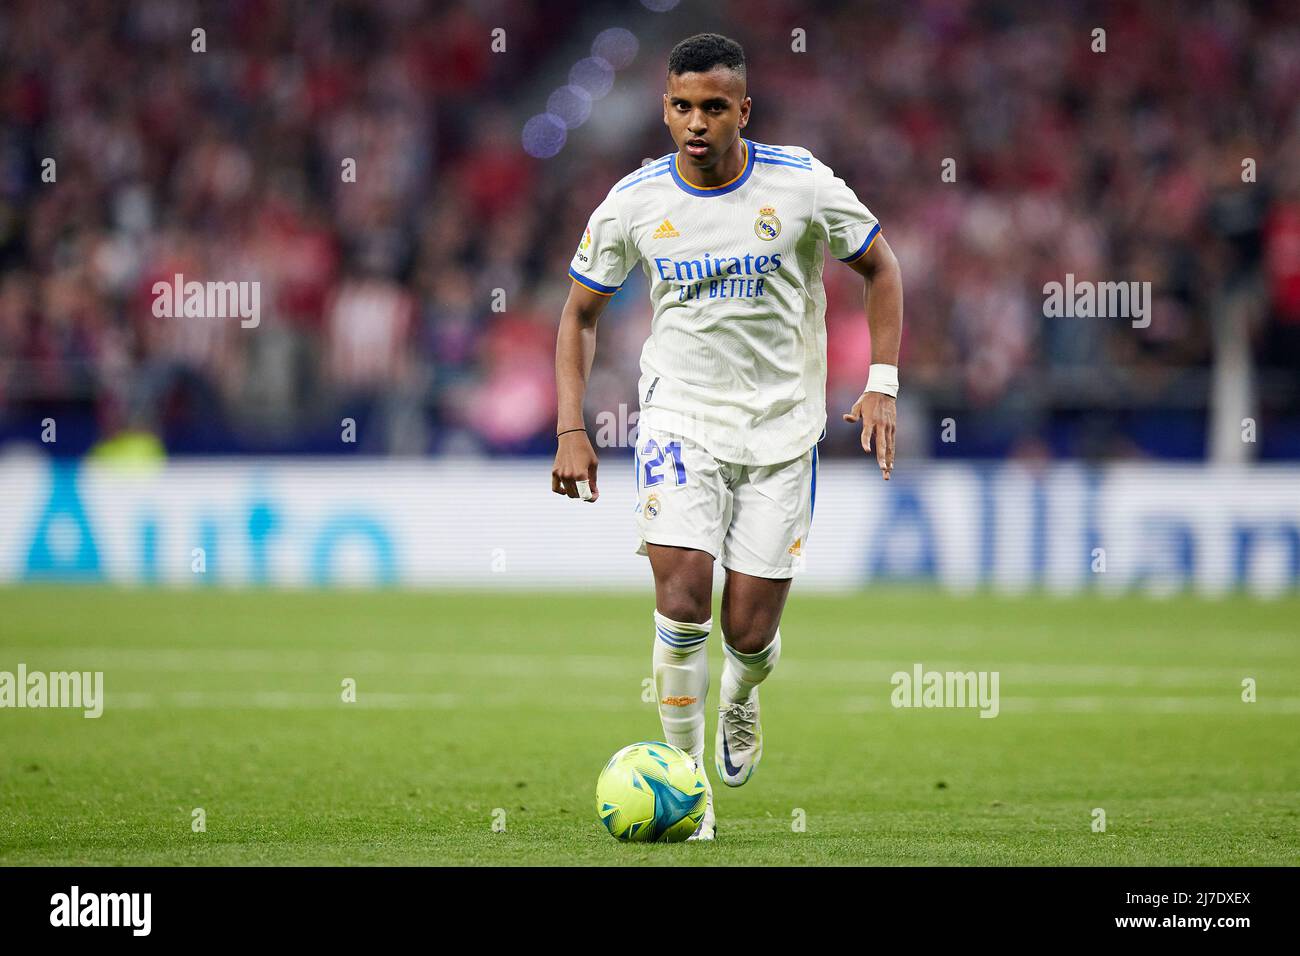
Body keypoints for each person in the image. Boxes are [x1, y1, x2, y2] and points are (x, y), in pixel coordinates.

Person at [552, 33, 903, 840]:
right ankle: (690, 791)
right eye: (682, 106)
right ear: (665, 109)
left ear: (744, 109)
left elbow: (882, 268)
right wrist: (572, 426)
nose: (697, 122)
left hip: (782, 433)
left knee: (749, 632)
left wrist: (880, 384)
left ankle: (741, 699)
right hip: (679, 422)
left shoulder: (803, 184)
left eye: (714, 107)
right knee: (681, 603)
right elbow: (579, 314)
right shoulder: (635, 202)